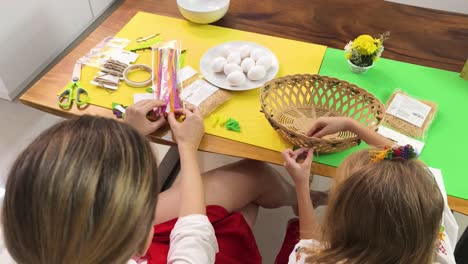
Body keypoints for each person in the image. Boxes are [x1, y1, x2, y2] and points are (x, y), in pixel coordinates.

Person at [0, 100, 320, 264]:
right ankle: (299, 198)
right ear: (141, 244)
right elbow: (194, 230)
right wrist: (187, 146)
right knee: (251, 185)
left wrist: (129, 134)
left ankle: (294, 196)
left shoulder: (32, 242)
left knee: (244, 189)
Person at [281, 117, 458, 264]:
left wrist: (301, 185)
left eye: (334, 193)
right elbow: (408, 162)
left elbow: (307, 245)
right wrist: (350, 125)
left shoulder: (316, 260)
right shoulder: (430, 226)